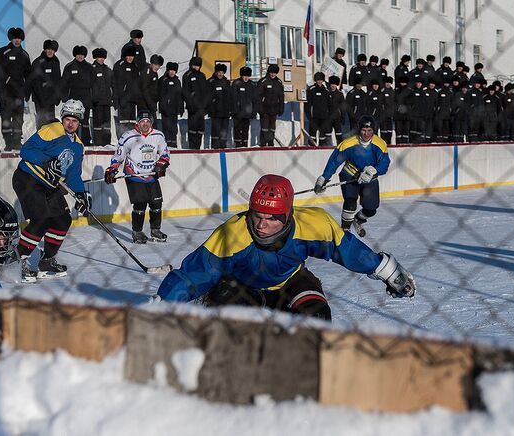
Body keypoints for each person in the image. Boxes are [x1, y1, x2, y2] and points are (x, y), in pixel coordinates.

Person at [154, 174, 416, 320]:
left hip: (291, 282)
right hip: (242, 287)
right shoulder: (232, 234)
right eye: (256, 215)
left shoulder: (313, 224)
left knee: (317, 317)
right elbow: (193, 274)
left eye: (272, 218)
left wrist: (389, 272)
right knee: (232, 324)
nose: (261, 225)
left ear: (288, 215)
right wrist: (157, 309)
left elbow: (348, 251)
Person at [12, 99, 90, 283]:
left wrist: (81, 194)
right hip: (28, 178)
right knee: (42, 219)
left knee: (62, 219)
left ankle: (46, 260)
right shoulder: (52, 129)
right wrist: (46, 161)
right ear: (62, 119)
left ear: (80, 122)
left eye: (75, 120)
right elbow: (26, 150)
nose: (70, 123)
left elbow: (73, 175)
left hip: (49, 185)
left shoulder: (78, 147)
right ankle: (17, 261)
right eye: (67, 119)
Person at [315, 115, 390, 236]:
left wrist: (373, 171)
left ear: (374, 131)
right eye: (364, 130)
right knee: (350, 203)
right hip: (349, 175)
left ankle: (358, 220)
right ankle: (345, 230)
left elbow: (384, 164)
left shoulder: (380, 145)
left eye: (370, 130)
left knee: (371, 209)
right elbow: (334, 162)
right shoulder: (348, 144)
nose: (366, 134)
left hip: (369, 178)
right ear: (359, 129)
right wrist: (323, 178)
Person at [104, 109, 169, 243]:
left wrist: (161, 164)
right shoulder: (128, 136)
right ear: (137, 123)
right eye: (142, 121)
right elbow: (118, 156)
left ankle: (155, 230)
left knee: (156, 203)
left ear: (151, 123)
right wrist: (112, 170)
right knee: (140, 204)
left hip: (151, 175)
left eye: (148, 121)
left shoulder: (158, 136)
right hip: (134, 174)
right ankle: (137, 232)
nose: (145, 124)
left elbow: (165, 154)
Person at [0, 27, 31, 150]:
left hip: (19, 93)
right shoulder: (2, 52)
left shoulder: (24, 55)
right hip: (6, 93)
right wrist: (5, 83)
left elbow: (28, 75)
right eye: (15, 38)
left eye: (19, 39)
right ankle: (8, 142)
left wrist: (27, 91)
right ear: (11, 39)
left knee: (18, 118)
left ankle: (16, 141)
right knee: (6, 118)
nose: (17, 41)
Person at [60, 45, 93, 146]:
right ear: (75, 55)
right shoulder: (69, 66)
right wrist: (64, 97)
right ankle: (71, 139)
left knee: (84, 120)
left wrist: (92, 99)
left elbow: (94, 84)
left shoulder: (89, 67)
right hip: (73, 100)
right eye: (78, 54)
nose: (80, 57)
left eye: (82, 55)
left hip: (86, 99)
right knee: (73, 121)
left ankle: (86, 140)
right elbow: (64, 83)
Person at [28, 39, 61, 129]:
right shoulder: (37, 62)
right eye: (48, 49)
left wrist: (58, 96)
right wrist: (41, 99)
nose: (50, 52)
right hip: (40, 100)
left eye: (52, 50)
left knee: (51, 124)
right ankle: (41, 141)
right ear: (44, 50)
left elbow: (58, 80)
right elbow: (34, 83)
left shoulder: (55, 62)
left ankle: (50, 141)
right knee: (42, 124)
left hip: (51, 99)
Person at [113, 45, 141, 138]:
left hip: (133, 100)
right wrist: (117, 98)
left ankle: (131, 140)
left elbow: (137, 83)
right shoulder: (119, 65)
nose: (130, 58)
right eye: (128, 56)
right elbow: (115, 84)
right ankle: (122, 140)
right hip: (123, 100)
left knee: (132, 122)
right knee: (123, 123)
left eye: (132, 56)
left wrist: (137, 97)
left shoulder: (135, 66)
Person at [182, 56, 209, 149]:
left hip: (201, 108)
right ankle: (192, 147)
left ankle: (198, 146)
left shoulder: (202, 76)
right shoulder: (187, 75)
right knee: (192, 128)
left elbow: (205, 92)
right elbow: (185, 92)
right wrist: (190, 104)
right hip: (192, 108)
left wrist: (205, 106)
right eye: (194, 65)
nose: (196, 67)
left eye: (198, 66)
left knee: (200, 129)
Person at [256, 64, 283, 147]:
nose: (273, 75)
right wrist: (259, 108)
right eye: (271, 73)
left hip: (274, 109)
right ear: (269, 72)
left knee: (272, 128)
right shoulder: (263, 81)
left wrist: (281, 108)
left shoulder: (279, 82)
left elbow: (281, 96)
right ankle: (263, 144)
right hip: (264, 109)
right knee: (265, 128)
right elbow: (258, 96)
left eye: (274, 73)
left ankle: (271, 143)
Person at [158, 62, 184, 148]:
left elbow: (180, 95)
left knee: (174, 127)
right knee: (166, 127)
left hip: (174, 108)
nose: (172, 72)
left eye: (174, 70)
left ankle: (173, 142)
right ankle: (167, 142)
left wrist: (181, 107)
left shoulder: (177, 81)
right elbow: (161, 95)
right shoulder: (163, 80)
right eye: (170, 70)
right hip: (166, 109)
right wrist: (163, 107)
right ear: (167, 70)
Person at [230, 66, 257, 148]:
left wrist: (254, 112)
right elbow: (233, 99)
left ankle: (245, 145)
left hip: (247, 113)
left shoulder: (252, 85)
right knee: (238, 130)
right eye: (244, 76)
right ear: (241, 75)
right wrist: (234, 111)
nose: (246, 78)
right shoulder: (236, 83)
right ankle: (238, 145)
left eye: (248, 76)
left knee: (245, 130)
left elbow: (255, 100)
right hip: (238, 113)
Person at [91, 47, 113, 146]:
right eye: (99, 57)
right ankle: (98, 142)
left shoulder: (108, 70)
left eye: (103, 58)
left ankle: (107, 142)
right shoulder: (92, 69)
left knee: (107, 124)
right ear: (95, 58)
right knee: (98, 125)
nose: (101, 59)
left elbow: (113, 84)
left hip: (107, 102)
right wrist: (93, 99)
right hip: (97, 102)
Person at [208, 63, 231, 149]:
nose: (220, 74)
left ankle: (223, 145)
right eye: (219, 72)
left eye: (222, 72)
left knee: (224, 130)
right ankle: (215, 146)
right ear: (216, 72)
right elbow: (208, 97)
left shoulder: (227, 82)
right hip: (215, 111)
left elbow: (230, 96)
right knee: (216, 130)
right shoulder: (211, 81)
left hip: (225, 111)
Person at [305, 71, 332, 146]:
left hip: (324, 116)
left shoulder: (326, 91)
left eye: (321, 80)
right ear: (315, 80)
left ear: (323, 80)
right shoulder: (311, 90)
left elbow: (329, 105)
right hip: (314, 116)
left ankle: (322, 147)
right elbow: (307, 104)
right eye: (318, 80)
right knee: (312, 134)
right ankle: (311, 147)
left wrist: (329, 115)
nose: (319, 81)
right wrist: (309, 116)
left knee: (322, 135)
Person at [328, 75, 346, 145]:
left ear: (337, 85)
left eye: (335, 84)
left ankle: (340, 146)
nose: (333, 86)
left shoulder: (340, 94)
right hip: (328, 117)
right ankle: (328, 146)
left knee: (338, 133)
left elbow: (343, 107)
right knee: (328, 134)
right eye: (332, 84)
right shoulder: (327, 93)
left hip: (337, 117)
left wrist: (343, 117)